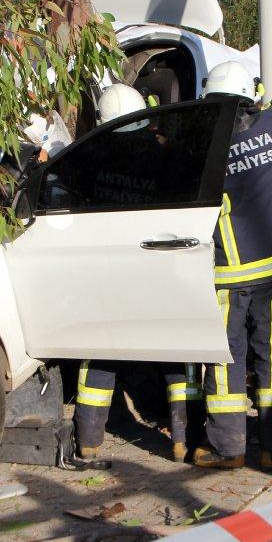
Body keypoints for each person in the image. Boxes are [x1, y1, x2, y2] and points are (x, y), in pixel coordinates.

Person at [73, 84, 204, 464]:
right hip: (160, 268)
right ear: (142, 117)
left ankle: (88, 441)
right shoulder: (163, 155)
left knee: (100, 352)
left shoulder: (87, 157)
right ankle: (182, 441)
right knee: (176, 354)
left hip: (109, 273)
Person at [194, 61, 272, 472]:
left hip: (227, 277)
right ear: (250, 98)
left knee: (225, 360)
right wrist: (266, 103)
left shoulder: (201, 147)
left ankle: (227, 449)